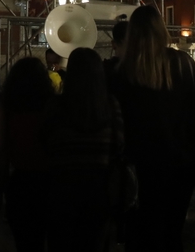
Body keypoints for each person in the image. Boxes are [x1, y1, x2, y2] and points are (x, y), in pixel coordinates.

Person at [112, 5, 195, 252]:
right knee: (172, 232)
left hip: (138, 167)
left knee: (140, 232)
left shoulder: (121, 73)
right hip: (179, 163)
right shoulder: (182, 63)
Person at [43, 47, 122, 252]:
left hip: (61, 186)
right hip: (98, 187)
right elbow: (119, 145)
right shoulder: (110, 105)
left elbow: (45, 142)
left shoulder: (56, 106)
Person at [0, 56, 55, 252]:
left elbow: (3, 148)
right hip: (50, 181)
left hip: (20, 180)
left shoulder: (9, 108)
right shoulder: (52, 107)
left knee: (25, 243)